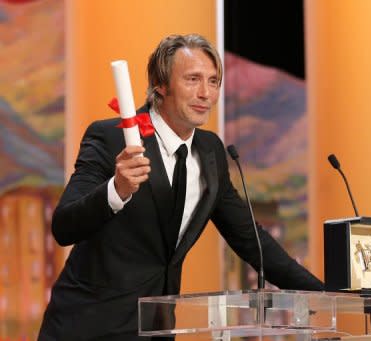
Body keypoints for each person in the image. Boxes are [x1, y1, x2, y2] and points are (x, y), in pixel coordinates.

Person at [38, 34, 323, 340]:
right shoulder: (110, 137)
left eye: (213, 81)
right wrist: (116, 189)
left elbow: (250, 239)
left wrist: (324, 293)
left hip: (156, 327)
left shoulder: (211, 150)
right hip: (88, 326)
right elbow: (64, 226)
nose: (206, 93)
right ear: (160, 84)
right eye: (193, 79)